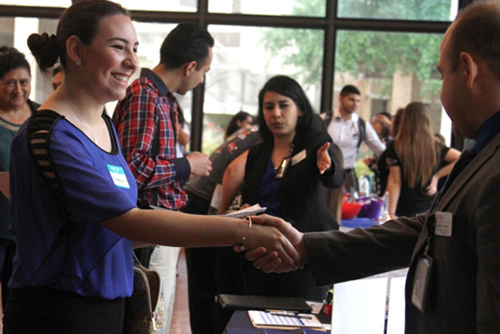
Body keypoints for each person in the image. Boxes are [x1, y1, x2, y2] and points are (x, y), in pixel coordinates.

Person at [4, 1, 298, 333]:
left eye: (135, 48)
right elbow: (130, 222)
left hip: (109, 308)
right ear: (76, 49)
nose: (132, 62)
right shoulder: (51, 135)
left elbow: (106, 232)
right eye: (118, 47)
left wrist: (232, 225)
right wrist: (242, 231)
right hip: (59, 314)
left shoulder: (103, 125)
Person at [246, 1, 500, 332]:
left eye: (441, 74)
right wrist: (307, 246)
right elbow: (426, 230)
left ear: (467, 69)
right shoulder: (482, 155)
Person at [112, 22, 213, 334]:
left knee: (158, 321)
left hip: (162, 229)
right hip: (149, 232)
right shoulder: (145, 95)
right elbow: (132, 169)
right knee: (149, 324)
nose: (201, 80)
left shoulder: (162, 97)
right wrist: (187, 166)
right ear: (190, 67)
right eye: (204, 72)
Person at [239, 75, 343, 303]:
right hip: (261, 254)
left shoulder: (315, 144)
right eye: (269, 107)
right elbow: (248, 199)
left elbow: (335, 179)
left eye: (283, 105)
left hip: (301, 253)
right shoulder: (257, 153)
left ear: (300, 110)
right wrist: (244, 210)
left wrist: (328, 164)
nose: (276, 113)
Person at [182, 124, 262, 334]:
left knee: (201, 286)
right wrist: (222, 218)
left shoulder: (251, 129)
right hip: (204, 202)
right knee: (208, 285)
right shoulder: (267, 136)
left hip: (194, 196)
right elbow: (233, 170)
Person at [0, 46, 39, 332]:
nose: (18, 89)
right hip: (0, 226)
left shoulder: (41, 115)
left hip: (31, 227)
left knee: (23, 303)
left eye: (24, 81)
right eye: (10, 82)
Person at [385, 102, 460, 217]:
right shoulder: (435, 147)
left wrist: (390, 213)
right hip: (429, 207)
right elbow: (461, 158)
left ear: (405, 120)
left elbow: (395, 181)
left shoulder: (396, 147)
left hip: (404, 208)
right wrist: (437, 176)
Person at [321, 84, 386, 195]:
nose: (355, 104)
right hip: (324, 173)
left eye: (358, 101)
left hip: (347, 175)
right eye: (351, 100)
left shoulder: (361, 125)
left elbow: (381, 150)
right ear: (341, 98)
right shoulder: (324, 120)